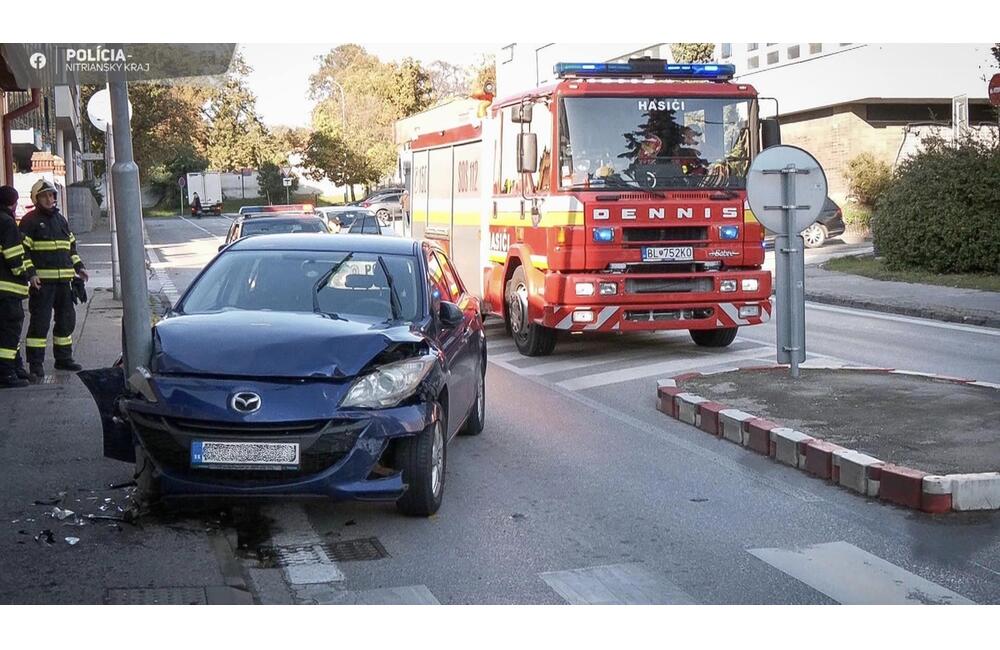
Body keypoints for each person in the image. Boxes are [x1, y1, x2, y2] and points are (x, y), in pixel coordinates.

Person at [18, 179, 88, 380]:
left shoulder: (61, 220)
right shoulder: (30, 221)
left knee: (66, 321)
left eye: (51, 195)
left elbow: (70, 248)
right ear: (37, 199)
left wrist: (79, 267)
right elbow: (23, 252)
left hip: (64, 283)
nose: (50, 199)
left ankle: (64, 358)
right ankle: (36, 364)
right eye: (45, 196)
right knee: (40, 324)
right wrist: (31, 274)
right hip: (42, 284)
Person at [0, 186, 40, 388]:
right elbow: (13, 256)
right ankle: (6, 374)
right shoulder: (6, 222)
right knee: (9, 331)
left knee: (8, 332)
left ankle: (15, 368)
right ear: (13, 203)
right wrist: (25, 275)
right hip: (8, 289)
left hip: (4, 291)